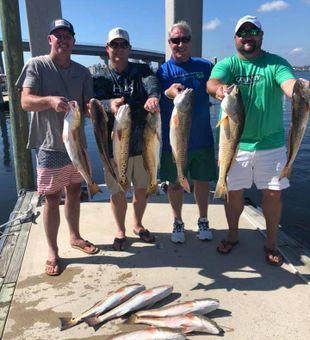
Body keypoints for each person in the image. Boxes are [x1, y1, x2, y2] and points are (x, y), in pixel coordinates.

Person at [207, 15, 297, 266]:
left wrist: (298, 90)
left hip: (272, 144)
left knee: (273, 194)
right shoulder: (229, 64)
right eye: (242, 33)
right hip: (235, 145)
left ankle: (272, 242)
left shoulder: (275, 63)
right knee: (232, 193)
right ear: (235, 38)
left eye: (253, 31)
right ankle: (233, 235)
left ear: (261, 35)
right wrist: (218, 90)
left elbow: (288, 83)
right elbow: (212, 82)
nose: (248, 36)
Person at [16, 18, 98, 276]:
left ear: (73, 41)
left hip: (77, 143)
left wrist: (100, 109)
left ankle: (74, 236)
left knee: (75, 191)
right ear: (49, 39)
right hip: (49, 145)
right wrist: (50, 100)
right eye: (57, 35)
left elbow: (87, 107)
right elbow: (25, 102)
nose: (63, 39)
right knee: (51, 199)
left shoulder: (83, 72)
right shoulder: (37, 65)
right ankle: (53, 250)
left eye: (67, 35)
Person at [93, 27, 160, 251]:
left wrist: (152, 97)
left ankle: (137, 224)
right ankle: (120, 229)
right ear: (107, 49)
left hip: (142, 144)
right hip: (113, 146)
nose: (119, 49)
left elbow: (153, 84)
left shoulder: (141, 70)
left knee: (141, 188)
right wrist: (106, 105)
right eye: (115, 45)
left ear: (129, 48)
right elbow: (91, 103)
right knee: (117, 191)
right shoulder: (100, 76)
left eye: (123, 45)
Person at [157, 21, 217, 244]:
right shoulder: (163, 70)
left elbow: (218, 84)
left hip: (202, 138)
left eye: (184, 40)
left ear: (190, 42)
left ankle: (203, 219)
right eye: (175, 40)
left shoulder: (204, 66)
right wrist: (168, 91)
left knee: (202, 182)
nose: (179, 44)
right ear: (169, 43)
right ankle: (178, 220)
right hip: (173, 141)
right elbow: (156, 92)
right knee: (174, 182)